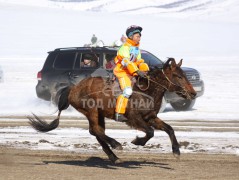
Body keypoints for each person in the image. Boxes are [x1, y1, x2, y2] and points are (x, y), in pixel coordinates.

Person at [113, 25, 149, 122]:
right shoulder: (124, 48)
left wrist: (145, 70)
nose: (139, 38)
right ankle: (119, 113)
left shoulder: (136, 49)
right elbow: (126, 62)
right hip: (122, 72)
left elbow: (139, 61)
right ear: (130, 36)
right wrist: (136, 71)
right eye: (137, 36)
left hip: (132, 72)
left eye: (139, 36)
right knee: (128, 91)